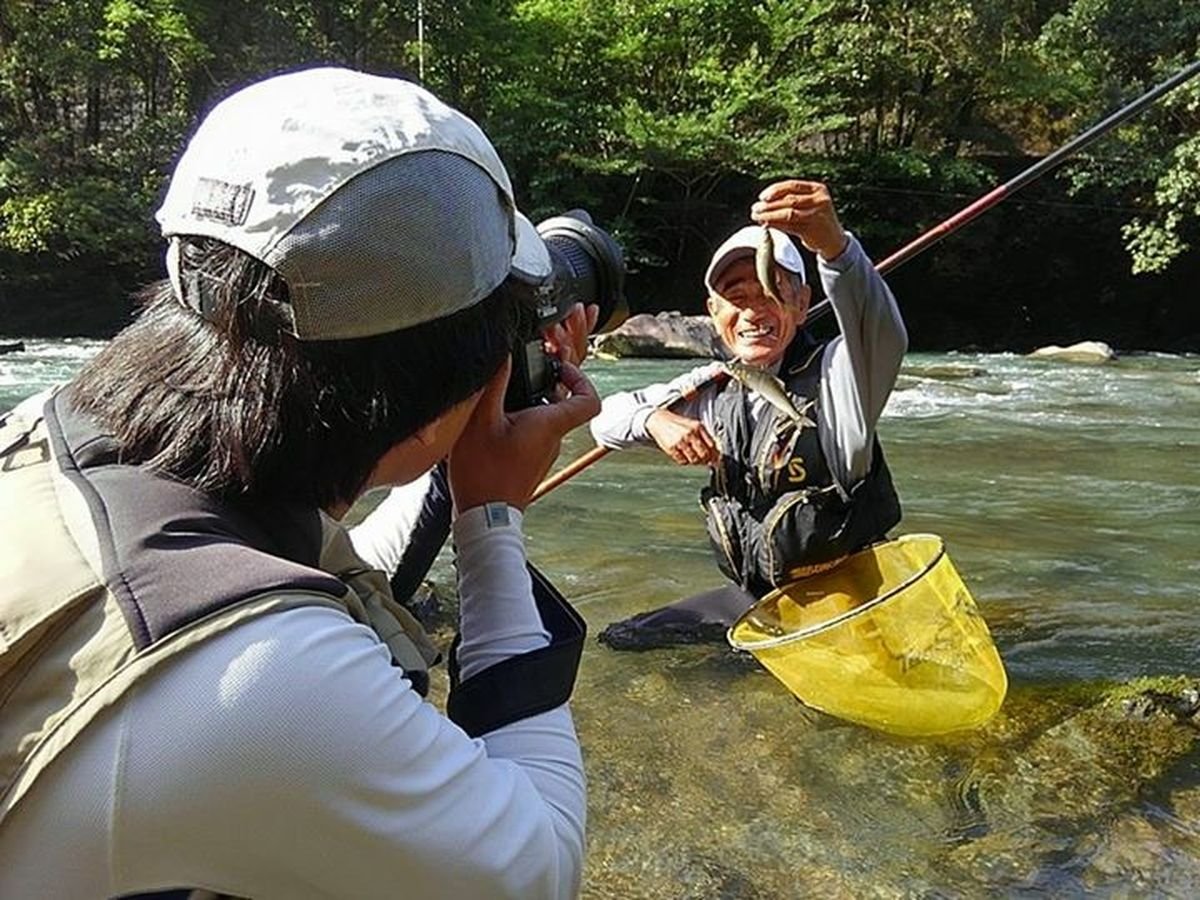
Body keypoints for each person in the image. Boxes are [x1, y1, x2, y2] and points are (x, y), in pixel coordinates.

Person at [0, 68, 599, 899]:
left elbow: (322, 572)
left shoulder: (55, 426)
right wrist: (491, 523)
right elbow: (536, 869)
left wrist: (449, 478)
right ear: (425, 417)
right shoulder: (258, 679)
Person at [590, 180, 907, 649]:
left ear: (802, 305)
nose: (754, 312)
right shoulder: (713, 387)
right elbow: (604, 416)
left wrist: (835, 248)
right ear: (714, 313)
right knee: (621, 640)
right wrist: (654, 421)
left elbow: (880, 332)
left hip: (853, 601)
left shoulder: (844, 377)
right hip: (763, 598)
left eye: (772, 293)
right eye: (737, 298)